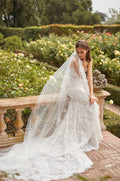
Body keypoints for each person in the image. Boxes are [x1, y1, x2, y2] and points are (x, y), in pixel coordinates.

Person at [0, 40, 103, 181]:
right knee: (90, 104)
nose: (79, 54)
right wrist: (88, 96)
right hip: (72, 86)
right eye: (78, 52)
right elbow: (81, 78)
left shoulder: (89, 60)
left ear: (87, 51)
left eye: (82, 52)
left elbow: (89, 77)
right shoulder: (74, 60)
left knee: (93, 106)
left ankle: (88, 137)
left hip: (81, 85)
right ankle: (81, 136)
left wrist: (91, 94)